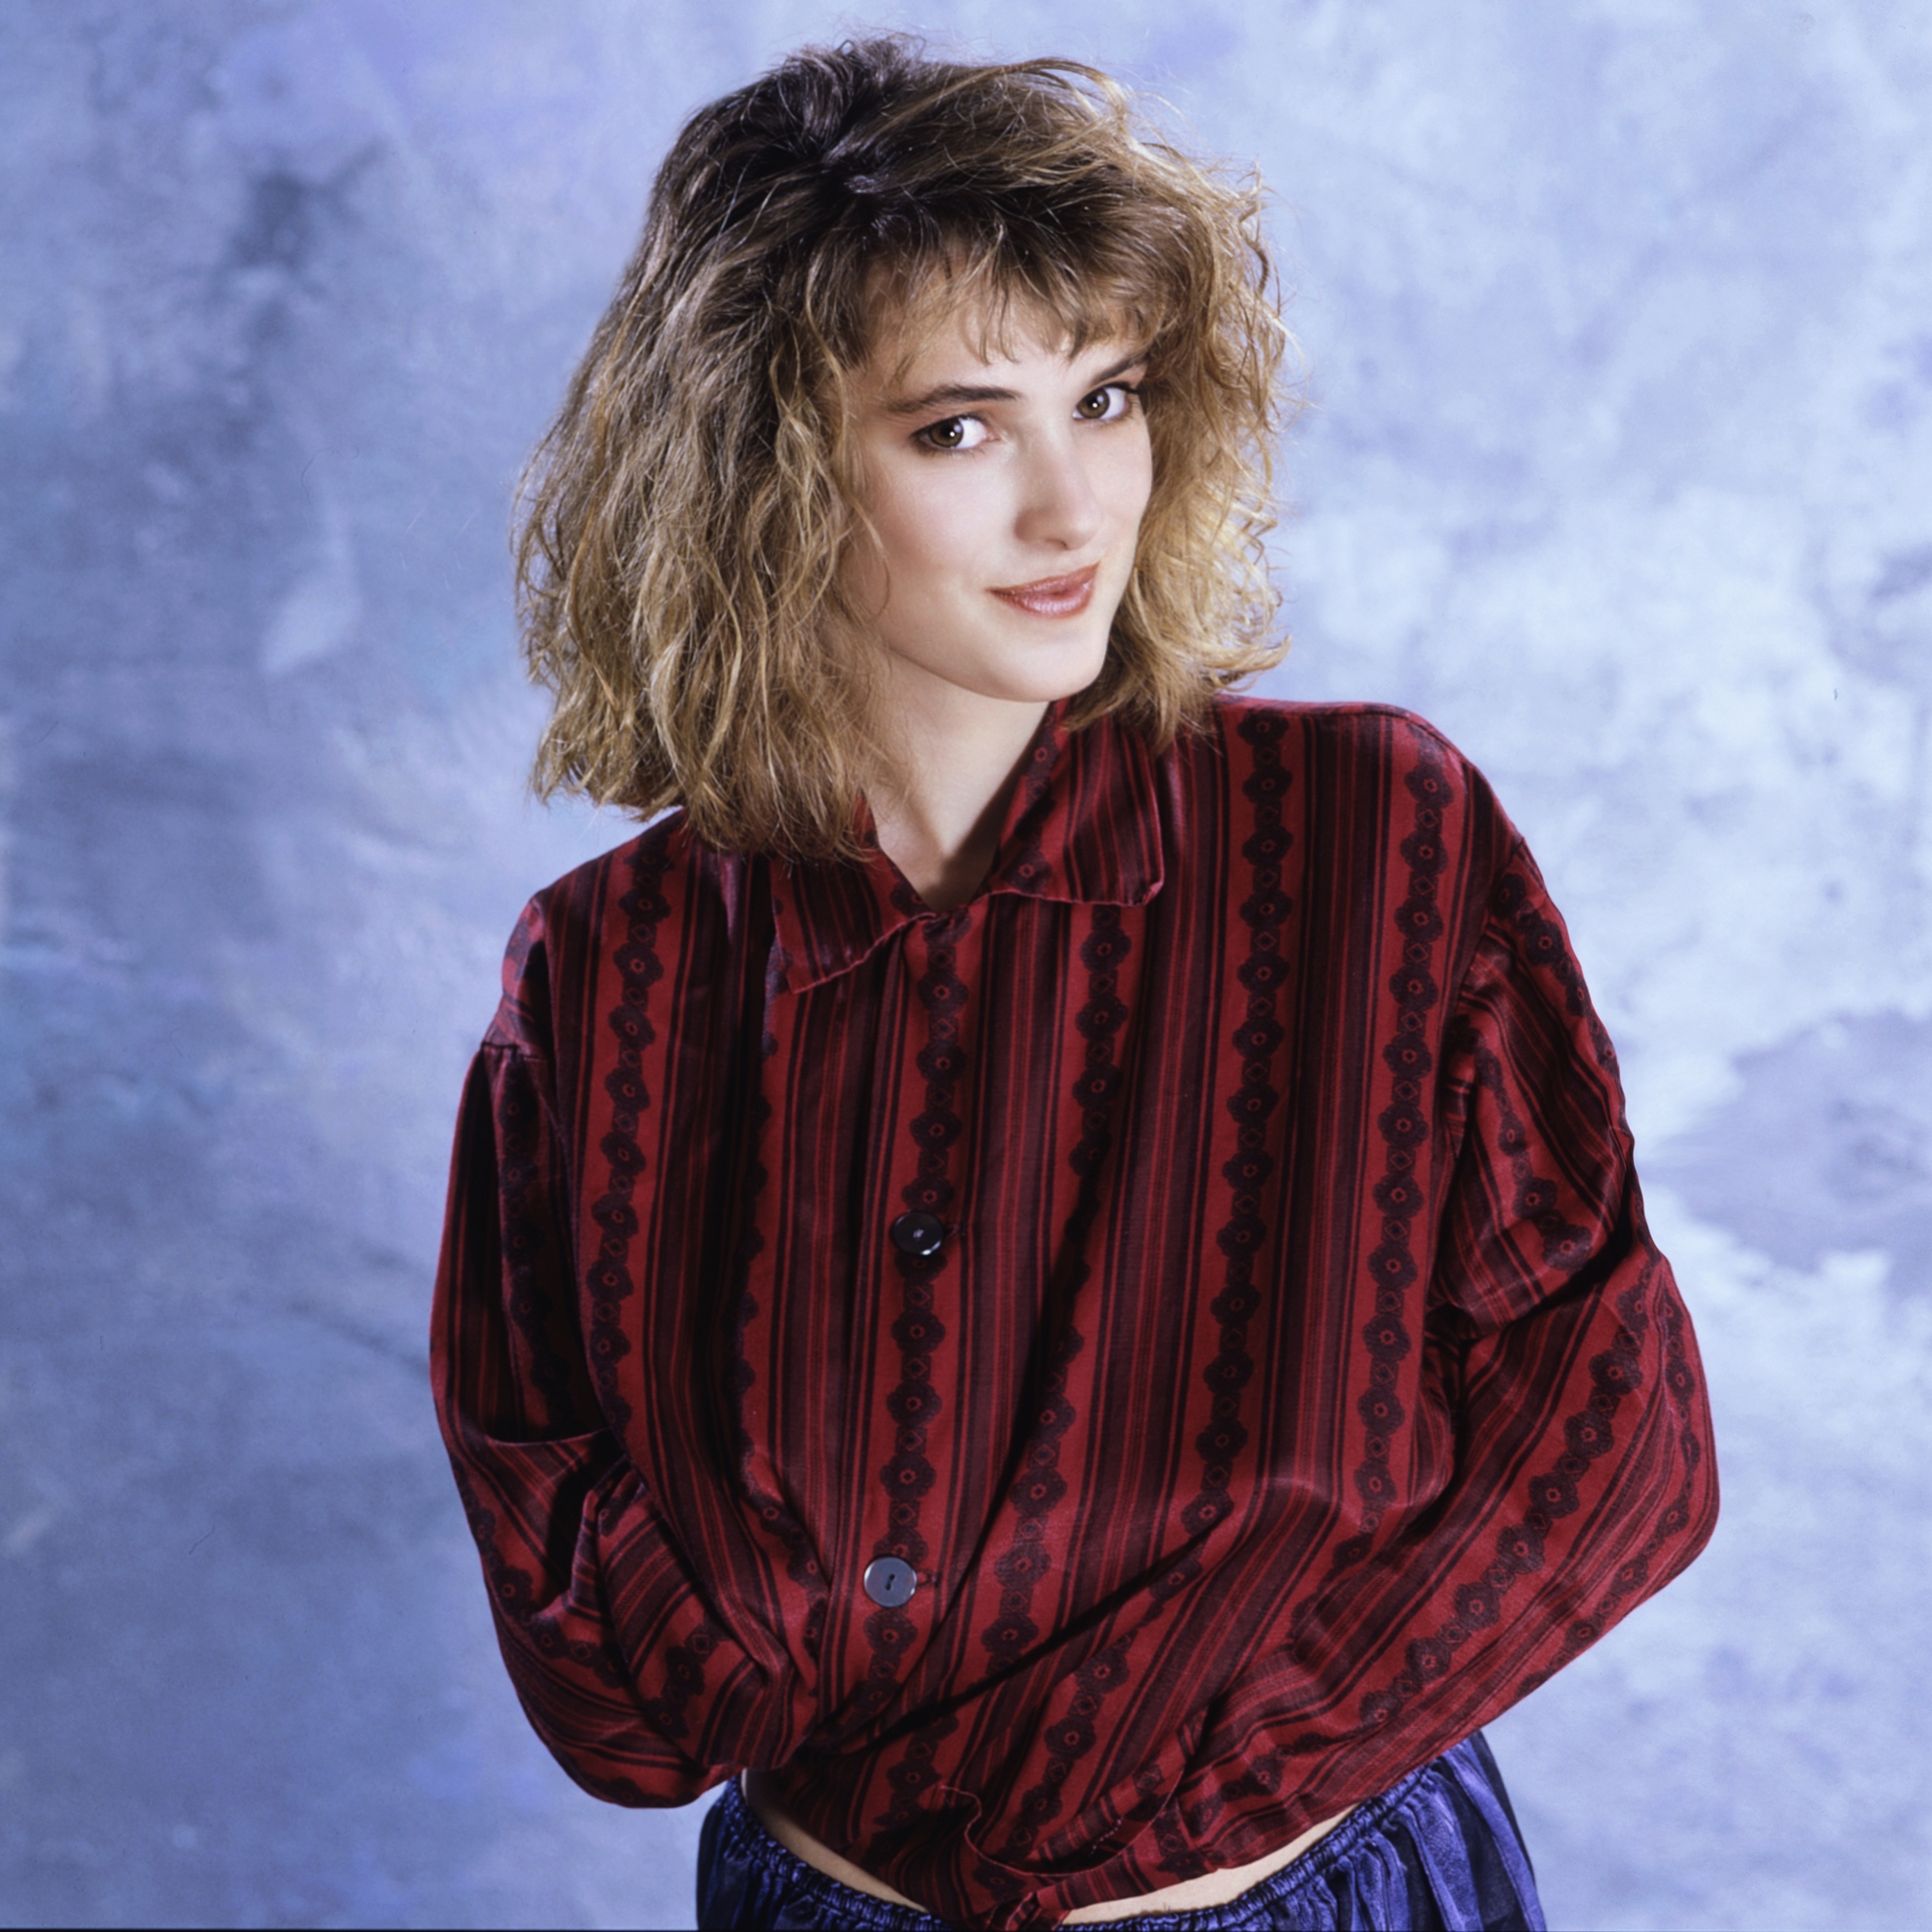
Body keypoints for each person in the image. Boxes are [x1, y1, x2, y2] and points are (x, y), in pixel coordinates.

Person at [431, 37, 1718, 1931]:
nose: (1071, 510)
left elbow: (1615, 1444)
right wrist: (824, 1599)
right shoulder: (610, 968)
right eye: (958, 428)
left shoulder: (1375, 838)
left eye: (1105, 398)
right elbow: (599, 1672)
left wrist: (1114, 1797)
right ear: (769, 478)